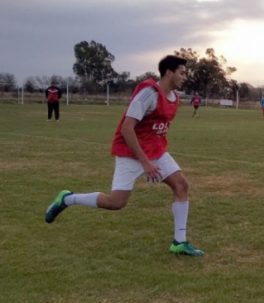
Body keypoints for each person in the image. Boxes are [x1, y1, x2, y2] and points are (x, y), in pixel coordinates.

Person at [44, 55, 204, 256]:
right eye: (182, 72)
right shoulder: (148, 94)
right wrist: (145, 163)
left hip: (156, 151)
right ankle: (67, 199)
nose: (185, 77)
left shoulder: (174, 97)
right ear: (168, 73)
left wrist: (153, 157)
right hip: (131, 152)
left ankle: (179, 242)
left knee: (181, 185)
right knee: (116, 203)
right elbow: (127, 129)